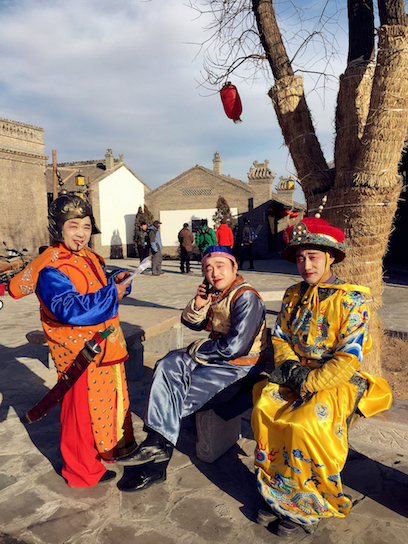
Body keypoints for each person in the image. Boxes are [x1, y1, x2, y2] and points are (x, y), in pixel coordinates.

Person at [251, 216, 393, 538]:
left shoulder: (351, 300)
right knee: (264, 407)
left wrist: (309, 383)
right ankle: (278, 495)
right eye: (300, 258)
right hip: (295, 373)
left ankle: (309, 505)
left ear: (330, 257)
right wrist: (291, 370)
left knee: (306, 423)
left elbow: (348, 358)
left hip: (336, 380)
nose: (306, 264)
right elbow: (281, 338)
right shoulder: (292, 295)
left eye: (313, 256)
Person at [8, 192, 137, 488]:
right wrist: (110, 295)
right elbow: (66, 308)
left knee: (104, 409)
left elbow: (96, 283)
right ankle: (80, 472)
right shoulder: (50, 268)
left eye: (86, 226)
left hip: (105, 347)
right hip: (79, 353)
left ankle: (98, 458)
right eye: (73, 226)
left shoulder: (89, 256)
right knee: (80, 414)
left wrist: (116, 280)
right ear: (59, 228)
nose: (81, 233)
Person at [116, 245, 267, 492]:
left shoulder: (246, 297)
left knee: (171, 395)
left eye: (220, 266)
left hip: (239, 369)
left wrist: (196, 350)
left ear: (235, 268)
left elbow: (235, 348)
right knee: (167, 363)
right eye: (208, 268)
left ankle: (156, 461)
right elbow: (192, 323)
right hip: (215, 359)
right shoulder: (218, 294)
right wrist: (199, 303)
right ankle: (156, 444)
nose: (214, 273)